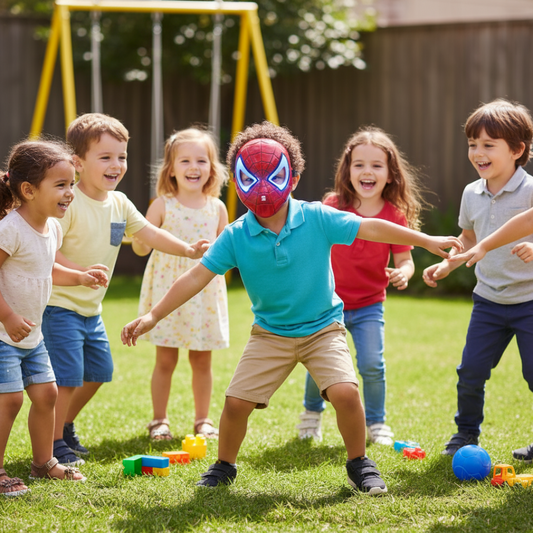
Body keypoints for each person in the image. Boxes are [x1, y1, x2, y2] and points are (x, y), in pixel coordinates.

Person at [121, 122, 461, 494]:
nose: (263, 187)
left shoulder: (317, 216)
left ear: (293, 178)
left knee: (346, 393)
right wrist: (153, 315)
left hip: (323, 330)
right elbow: (195, 277)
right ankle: (223, 466)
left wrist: (426, 240)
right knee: (235, 404)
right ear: (236, 182)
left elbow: (372, 228)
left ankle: (360, 463)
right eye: (251, 178)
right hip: (270, 334)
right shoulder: (235, 235)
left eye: (274, 176)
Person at [43, 114, 210, 466]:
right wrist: (79, 273)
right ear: (77, 162)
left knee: (98, 372)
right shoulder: (68, 203)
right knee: (68, 377)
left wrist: (187, 249)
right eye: (105, 157)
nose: (116, 164)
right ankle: (54, 442)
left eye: (121, 156)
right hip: (59, 306)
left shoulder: (119, 203)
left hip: (91, 310)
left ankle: (64, 424)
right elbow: (49, 252)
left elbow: (149, 233)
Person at [297, 126, 426, 446]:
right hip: (328, 305)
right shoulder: (333, 204)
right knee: (319, 364)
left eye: (376, 165)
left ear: (390, 174)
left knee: (372, 365)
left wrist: (404, 273)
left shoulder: (394, 216)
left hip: (370, 305)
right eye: (359, 164)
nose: (367, 171)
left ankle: (377, 422)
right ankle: (311, 414)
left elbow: (405, 259)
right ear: (348, 170)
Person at [422, 98, 533, 456]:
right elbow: (469, 238)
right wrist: (448, 264)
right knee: (470, 371)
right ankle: (465, 434)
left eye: (488, 145)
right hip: (488, 301)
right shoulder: (472, 193)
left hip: (529, 302)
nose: (478, 153)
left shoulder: (530, 191)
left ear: (517, 150)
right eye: (472, 144)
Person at [0, 140, 109, 495]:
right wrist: (8, 316)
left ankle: (43, 463)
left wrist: (79, 277)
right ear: (28, 190)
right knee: (10, 400)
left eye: (72, 184)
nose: (70, 193)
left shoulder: (52, 228)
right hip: (4, 334)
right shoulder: (10, 229)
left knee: (47, 394)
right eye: (61, 185)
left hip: (31, 336)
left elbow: (45, 268)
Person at [132, 128, 229, 440]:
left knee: (202, 359)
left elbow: (227, 250)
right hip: (166, 289)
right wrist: (138, 239)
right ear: (171, 169)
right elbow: (141, 247)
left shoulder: (217, 207)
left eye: (201, 160)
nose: (193, 167)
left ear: (212, 168)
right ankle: (159, 420)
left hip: (204, 292)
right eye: (184, 160)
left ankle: (203, 420)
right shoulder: (162, 205)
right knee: (165, 359)